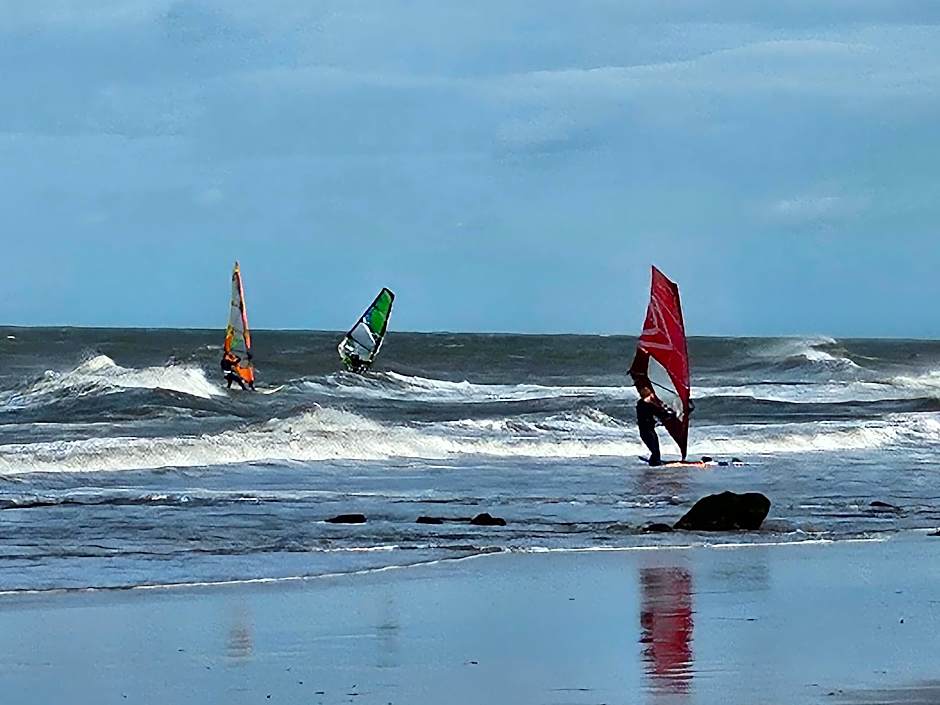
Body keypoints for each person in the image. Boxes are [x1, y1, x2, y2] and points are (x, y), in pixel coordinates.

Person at [630, 370, 677, 466]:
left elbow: (659, 414)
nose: (639, 391)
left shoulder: (643, 402)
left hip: (645, 431)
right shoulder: (645, 403)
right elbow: (661, 414)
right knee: (656, 453)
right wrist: (671, 414)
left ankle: (654, 463)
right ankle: (655, 464)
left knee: (655, 452)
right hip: (647, 432)